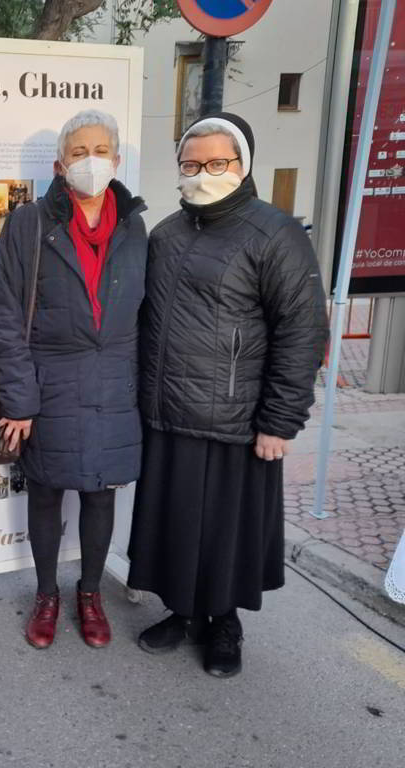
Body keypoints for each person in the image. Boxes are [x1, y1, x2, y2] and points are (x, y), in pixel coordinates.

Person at [128, 113, 327, 678]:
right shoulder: (166, 232)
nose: (203, 174)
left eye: (218, 163)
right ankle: (184, 612)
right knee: (175, 526)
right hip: (167, 412)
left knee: (226, 534)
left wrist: (280, 422)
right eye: (192, 165)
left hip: (237, 420)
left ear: (243, 166)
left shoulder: (273, 232)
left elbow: (302, 331)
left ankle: (225, 624)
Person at [0, 109, 148, 650]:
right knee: (48, 490)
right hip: (48, 385)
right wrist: (19, 398)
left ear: (117, 160)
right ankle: (47, 594)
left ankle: (91, 594)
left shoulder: (134, 227)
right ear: (60, 164)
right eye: (79, 153)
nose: (90, 161)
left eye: (100, 151)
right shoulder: (29, 223)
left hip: (113, 386)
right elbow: (5, 316)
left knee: (101, 494)